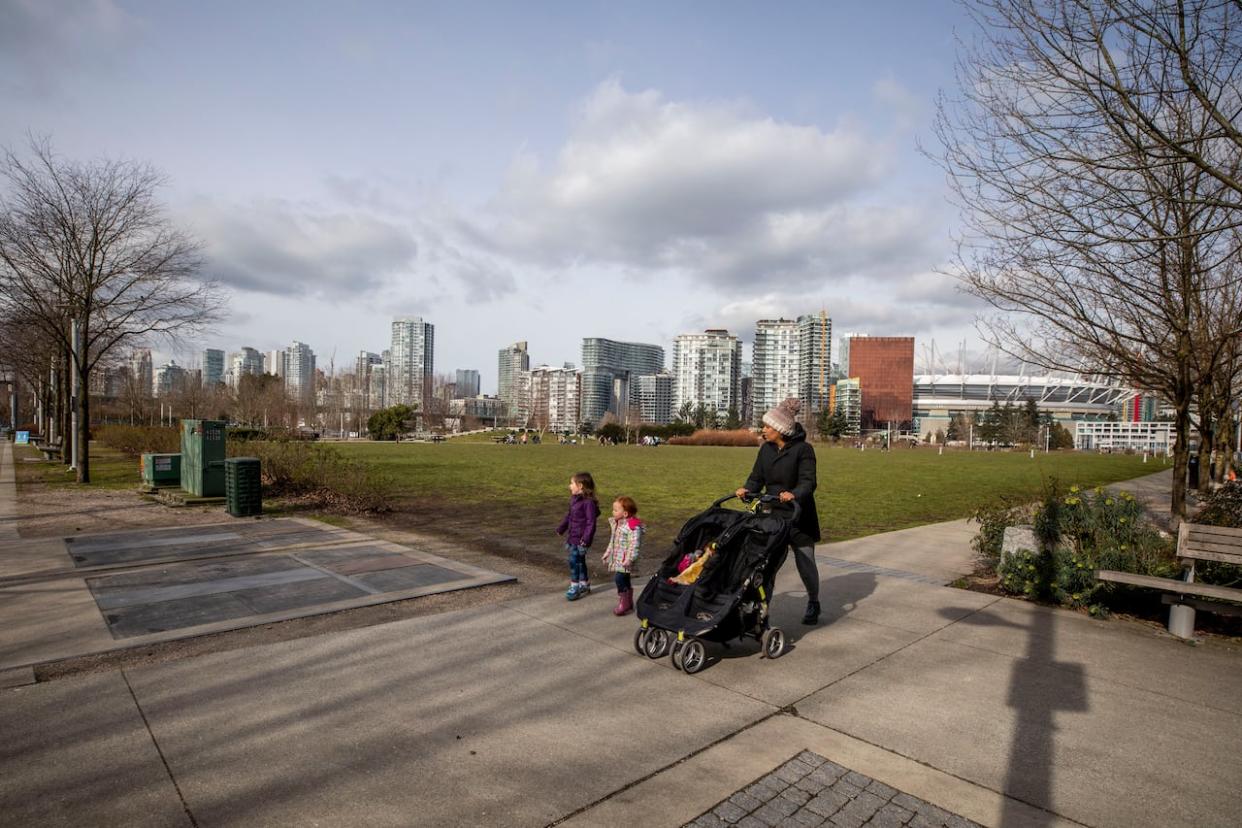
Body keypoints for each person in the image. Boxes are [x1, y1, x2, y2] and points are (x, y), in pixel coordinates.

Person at [736, 397, 822, 625]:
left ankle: (813, 601)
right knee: (767, 564)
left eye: (767, 426)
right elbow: (757, 478)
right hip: (773, 515)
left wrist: (794, 493)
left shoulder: (804, 450)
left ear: (781, 429)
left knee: (805, 562)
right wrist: (747, 489)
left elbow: (809, 481)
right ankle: (762, 609)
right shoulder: (766, 450)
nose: (763, 430)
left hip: (798, 515)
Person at [557, 471, 600, 600]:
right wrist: (562, 528)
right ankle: (584, 583)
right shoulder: (574, 500)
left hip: (581, 539)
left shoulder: (588, 503)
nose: (569, 486)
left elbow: (591, 523)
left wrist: (586, 540)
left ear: (580, 486)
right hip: (573, 536)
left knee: (573, 561)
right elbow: (569, 516)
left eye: (572, 483)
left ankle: (574, 586)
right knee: (580, 561)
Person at [602, 495, 643, 615]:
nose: (612, 512)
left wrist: (630, 559)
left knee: (619, 578)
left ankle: (624, 602)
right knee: (624, 578)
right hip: (618, 557)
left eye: (615, 510)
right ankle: (628, 602)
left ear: (625, 513)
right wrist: (607, 553)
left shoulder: (632, 527)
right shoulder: (617, 524)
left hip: (625, 559)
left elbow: (634, 544)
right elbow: (613, 542)